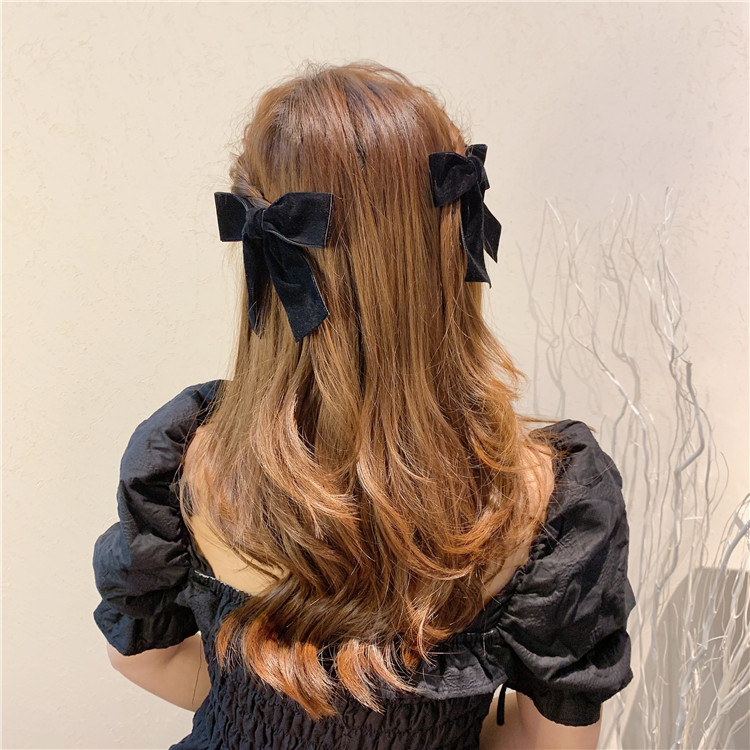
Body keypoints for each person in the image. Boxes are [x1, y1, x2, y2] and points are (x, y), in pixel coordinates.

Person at [92, 61, 636, 750]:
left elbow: (142, 657)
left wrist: (258, 711)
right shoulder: (545, 493)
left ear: (264, 258)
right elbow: (553, 742)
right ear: (452, 239)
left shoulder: (191, 455)